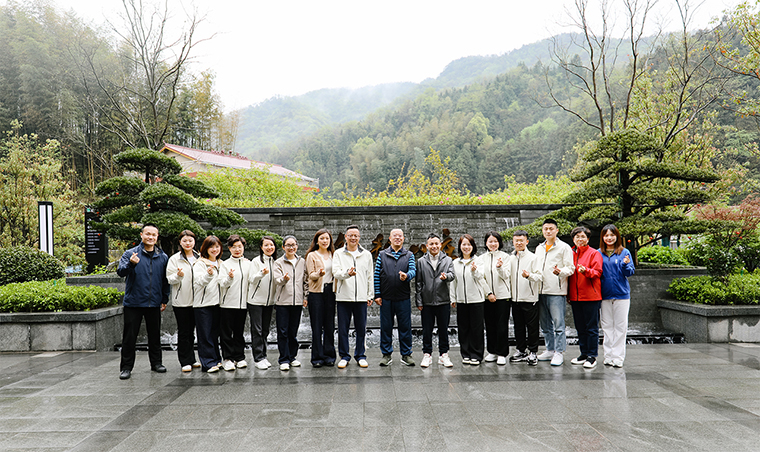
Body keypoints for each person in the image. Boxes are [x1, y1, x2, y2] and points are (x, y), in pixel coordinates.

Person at [117, 224, 169, 380]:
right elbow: (121, 272)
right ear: (141, 235)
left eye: (154, 235)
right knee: (129, 337)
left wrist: (164, 298)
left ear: (157, 237)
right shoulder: (130, 253)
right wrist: (131, 264)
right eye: (148, 234)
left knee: (154, 335)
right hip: (134, 302)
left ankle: (156, 363)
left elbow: (165, 280)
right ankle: (126, 367)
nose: (150, 237)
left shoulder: (162, 256)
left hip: (154, 302)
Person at [333, 224, 374, 369]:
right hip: (343, 297)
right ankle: (344, 356)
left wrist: (370, 295)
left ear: (359, 237)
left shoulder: (366, 254)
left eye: (356, 235)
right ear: (345, 237)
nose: (353, 238)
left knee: (361, 328)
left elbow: (370, 276)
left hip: (361, 298)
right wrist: (347, 274)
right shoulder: (338, 253)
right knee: (343, 329)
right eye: (350, 235)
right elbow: (336, 272)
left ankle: (360, 355)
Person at [535, 218, 575, 366]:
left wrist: (560, 272)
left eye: (551, 228)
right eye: (545, 229)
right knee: (545, 324)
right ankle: (550, 349)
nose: (548, 231)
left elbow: (570, 268)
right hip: (540, 290)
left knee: (558, 324)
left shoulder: (564, 247)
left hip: (556, 290)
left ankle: (559, 352)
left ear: (557, 230)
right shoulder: (539, 248)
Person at [374, 228, 417, 367]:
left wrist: (407, 276)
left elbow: (413, 270)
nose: (397, 238)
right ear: (390, 239)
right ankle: (386, 355)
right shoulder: (382, 255)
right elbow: (377, 275)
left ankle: (406, 355)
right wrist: (377, 295)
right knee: (386, 327)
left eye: (400, 236)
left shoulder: (409, 255)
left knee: (405, 327)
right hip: (386, 298)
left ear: (403, 239)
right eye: (395, 236)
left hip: (403, 298)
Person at [415, 233, 455, 368]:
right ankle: (427, 354)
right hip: (427, 302)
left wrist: (446, 277)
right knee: (427, 330)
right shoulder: (421, 261)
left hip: (443, 300)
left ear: (440, 245)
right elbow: (418, 282)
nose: (434, 246)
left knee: (443, 329)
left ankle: (444, 355)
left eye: (436, 243)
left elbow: (452, 275)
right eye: (431, 244)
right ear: (427, 246)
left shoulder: (447, 260)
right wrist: (419, 301)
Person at [598, 224, 635, 368]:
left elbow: (630, 272)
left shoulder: (624, 252)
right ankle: (608, 356)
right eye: (606, 235)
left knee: (620, 327)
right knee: (607, 326)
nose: (609, 238)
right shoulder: (598, 253)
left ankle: (618, 357)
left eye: (612, 235)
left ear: (617, 236)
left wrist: (625, 265)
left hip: (621, 295)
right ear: (602, 237)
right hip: (604, 295)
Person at [568, 226, 604, 369]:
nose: (580, 239)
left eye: (583, 236)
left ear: (588, 239)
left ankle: (592, 356)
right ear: (573, 239)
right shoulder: (570, 253)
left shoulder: (594, 253)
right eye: (577, 237)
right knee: (580, 327)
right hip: (575, 297)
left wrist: (586, 271)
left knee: (591, 328)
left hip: (591, 296)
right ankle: (583, 353)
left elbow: (598, 272)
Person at [449, 234, 488, 365]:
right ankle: (465, 353)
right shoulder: (455, 263)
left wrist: (474, 271)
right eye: (464, 244)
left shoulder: (479, 261)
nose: (466, 247)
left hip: (476, 300)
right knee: (463, 328)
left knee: (476, 329)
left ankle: (476, 354)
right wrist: (453, 298)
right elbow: (453, 282)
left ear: (473, 246)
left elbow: (481, 277)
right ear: (460, 246)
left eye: (469, 244)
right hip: (461, 300)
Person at [166, 230, 201, 372]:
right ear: (180, 242)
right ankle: (185, 361)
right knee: (184, 332)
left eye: (190, 240)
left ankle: (192, 358)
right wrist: (178, 276)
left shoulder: (200, 257)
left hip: (198, 301)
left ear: (194, 242)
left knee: (193, 332)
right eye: (184, 240)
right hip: (181, 301)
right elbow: (169, 279)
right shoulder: (174, 259)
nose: (188, 243)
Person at [273, 235, 308, 371]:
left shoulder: (302, 262)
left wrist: (305, 297)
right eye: (288, 245)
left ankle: (292, 357)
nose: (291, 247)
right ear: (283, 247)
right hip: (282, 302)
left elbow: (305, 281)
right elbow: (277, 280)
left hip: (297, 302)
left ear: (297, 246)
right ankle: (284, 359)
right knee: (283, 332)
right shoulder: (278, 262)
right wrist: (284, 279)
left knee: (293, 331)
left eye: (293, 245)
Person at [508, 230, 542, 366]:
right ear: (513, 242)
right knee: (518, 327)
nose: (519, 243)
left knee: (532, 327)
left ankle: (533, 352)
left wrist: (529, 276)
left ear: (527, 241)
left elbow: (540, 276)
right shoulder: (510, 258)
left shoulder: (533, 258)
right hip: (515, 299)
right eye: (516, 240)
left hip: (530, 298)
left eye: (521, 240)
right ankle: (521, 350)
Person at [305, 228, 337, 368]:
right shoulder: (312, 255)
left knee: (329, 325)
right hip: (316, 293)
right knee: (317, 326)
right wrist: (319, 274)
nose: (325, 241)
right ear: (317, 241)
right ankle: (317, 357)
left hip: (331, 291)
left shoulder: (334, 254)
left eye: (327, 238)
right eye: (322, 238)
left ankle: (329, 356)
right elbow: (310, 275)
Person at [218, 235, 250, 371]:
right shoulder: (225, 264)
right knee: (226, 333)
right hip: (227, 304)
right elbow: (222, 283)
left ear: (243, 248)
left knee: (239, 332)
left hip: (242, 304)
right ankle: (227, 358)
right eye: (234, 247)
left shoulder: (248, 264)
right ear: (229, 248)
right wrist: (229, 278)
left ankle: (239, 357)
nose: (237, 249)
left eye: (240, 247)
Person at [193, 235, 224, 373]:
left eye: (217, 246)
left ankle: (216, 359)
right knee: (205, 335)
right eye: (211, 247)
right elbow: (199, 281)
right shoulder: (200, 263)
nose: (214, 249)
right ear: (205, 248)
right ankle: (207, 363)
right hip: (203, 304)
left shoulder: (221, 263)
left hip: (218, 303)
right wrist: (209, 274)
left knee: (214, 333)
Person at [480, 231, 511, 365]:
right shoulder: (481, 258)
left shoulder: (506, 257)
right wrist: (488, 293)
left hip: (503, 296)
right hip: (487, 297)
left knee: (502, 325)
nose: (493, 244)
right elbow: (480, 278)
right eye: (490, 241)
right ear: (486, 243)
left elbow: (506, 275)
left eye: (495, 241)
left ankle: (502, 353)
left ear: (499, 243)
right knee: (490, 324)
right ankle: (492, 351)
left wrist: (499, 268)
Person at [248, 236, 279, 370]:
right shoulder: (256, 261)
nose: (269, 247)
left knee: (265, 330)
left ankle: (263, 356)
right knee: (257, 330)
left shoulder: (276, 262)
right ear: (261, 247)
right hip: (255, 301)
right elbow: (251, 279)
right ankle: (258, 358)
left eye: (271, 245)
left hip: (270, 302)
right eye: (266, 245)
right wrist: (261, 273)